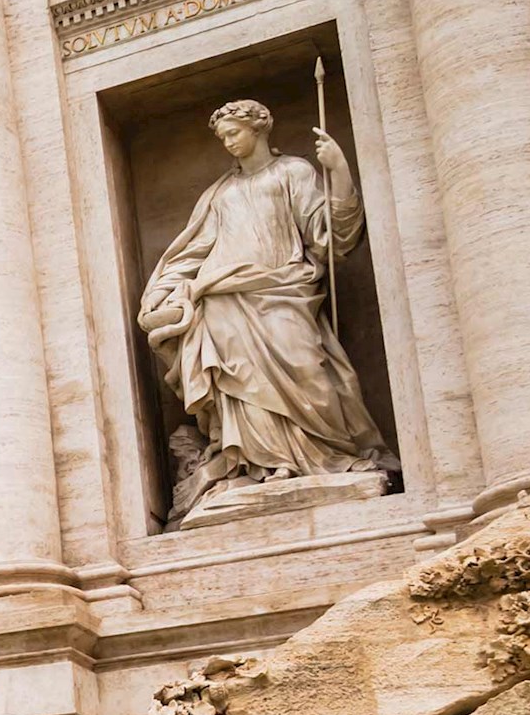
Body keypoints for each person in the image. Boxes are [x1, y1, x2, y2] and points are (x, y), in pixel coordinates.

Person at [138, 98, 396, 512]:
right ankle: (258, 466)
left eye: (234, 133)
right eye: (222, 138)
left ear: (259, 129)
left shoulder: (293, 172)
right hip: (223, 297)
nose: (228, 143)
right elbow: (191, 252)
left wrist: (340, 170)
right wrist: (162, 292)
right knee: (238, 382)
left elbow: (330, 238)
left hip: (284, 289)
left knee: (307, 368)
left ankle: (323, 457)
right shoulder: (219, 194)